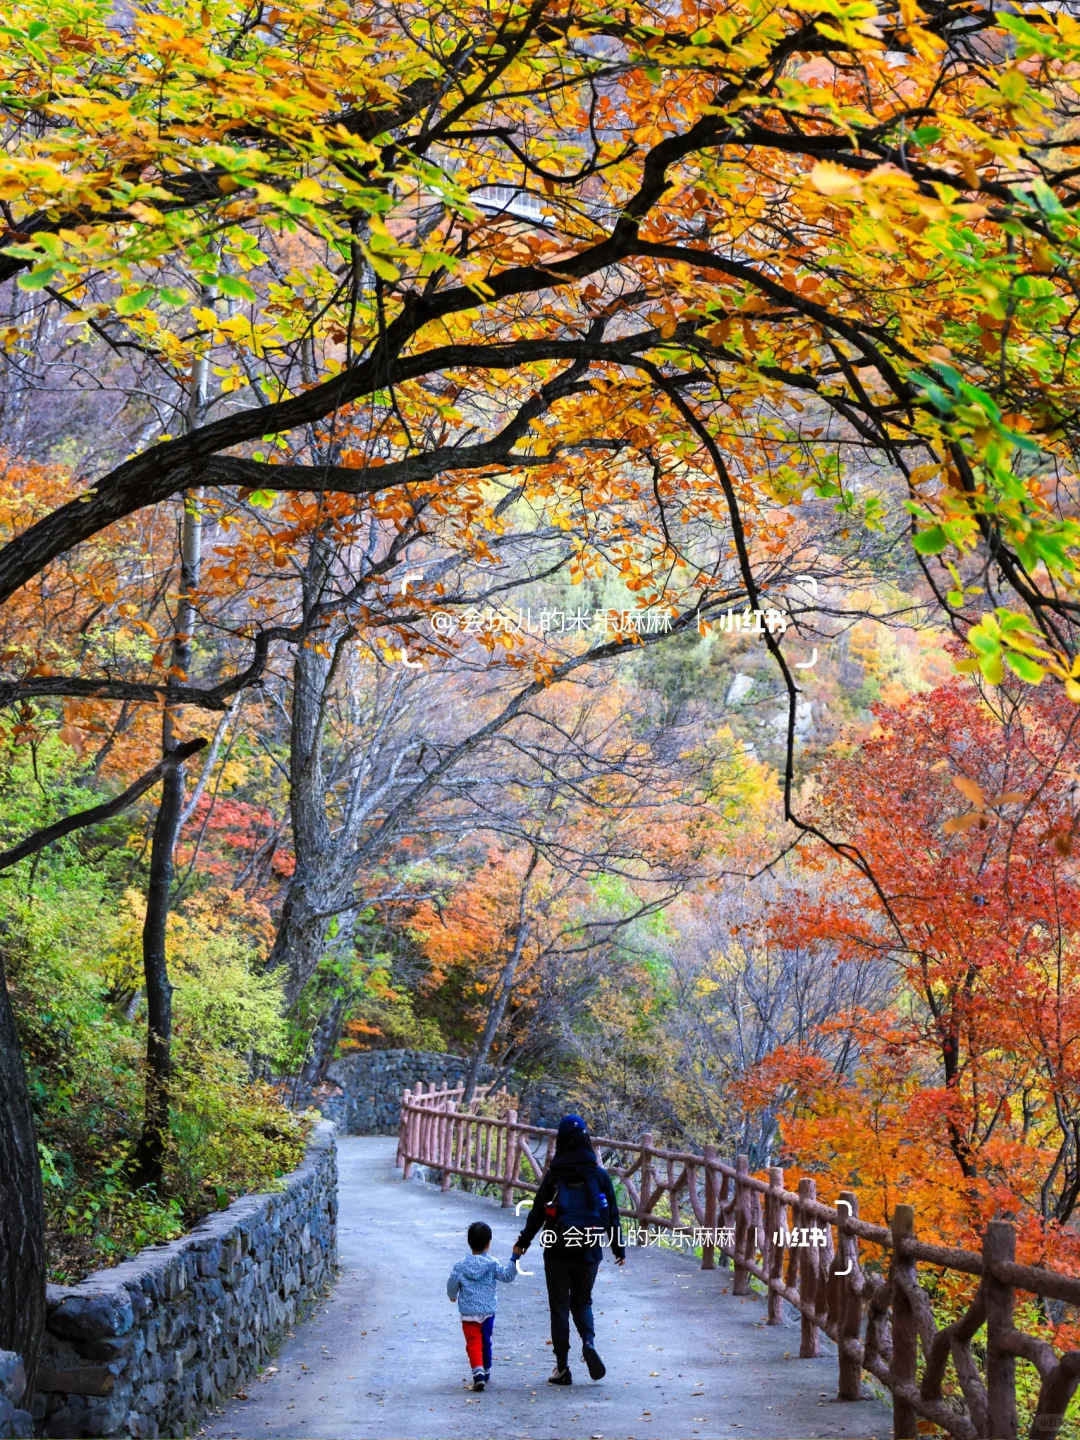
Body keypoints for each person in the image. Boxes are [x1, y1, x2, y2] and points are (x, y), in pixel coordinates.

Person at [513, 1113, 625, 1386]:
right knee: (583, 1301)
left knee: (560, 1308)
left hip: (557, 1250)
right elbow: (612, 1215)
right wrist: (618, 1248)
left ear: (561, 1141)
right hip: (589, 1251)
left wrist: (523, 1242)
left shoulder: (554, 1176)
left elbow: (538, 1213)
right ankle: (588, 1342)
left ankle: (562, 1368)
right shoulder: (599, 1175)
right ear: (586, 1139)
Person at [446, 1220, 517, 1391]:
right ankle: (486, 1369)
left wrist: (452, 1296)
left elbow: (452, 1283)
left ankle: (478, 1373)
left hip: (468, 1312)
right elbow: (507, 1276)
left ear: (469, 1242)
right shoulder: (492, 1264)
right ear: (488, 1243)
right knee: (486, 1341)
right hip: (487, 1312)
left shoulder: (461, 1265)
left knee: (473, 1342)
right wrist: (515, 1257)